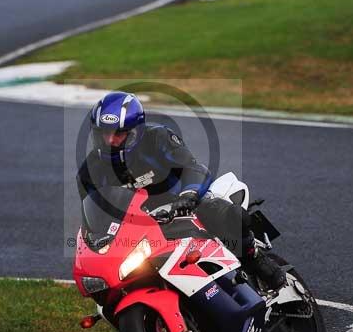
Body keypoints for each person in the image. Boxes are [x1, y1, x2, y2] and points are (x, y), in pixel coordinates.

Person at [77, 91, 286, 290]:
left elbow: (193, 167)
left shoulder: (158, 138)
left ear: (135, 132)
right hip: (141, 229)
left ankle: (255, 258)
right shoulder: (89, 171)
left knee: (232, 216)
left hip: (185, 206)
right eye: (103, 134)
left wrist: (189, 196)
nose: (110, 141)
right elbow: (94, 217)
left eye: (118, 135)